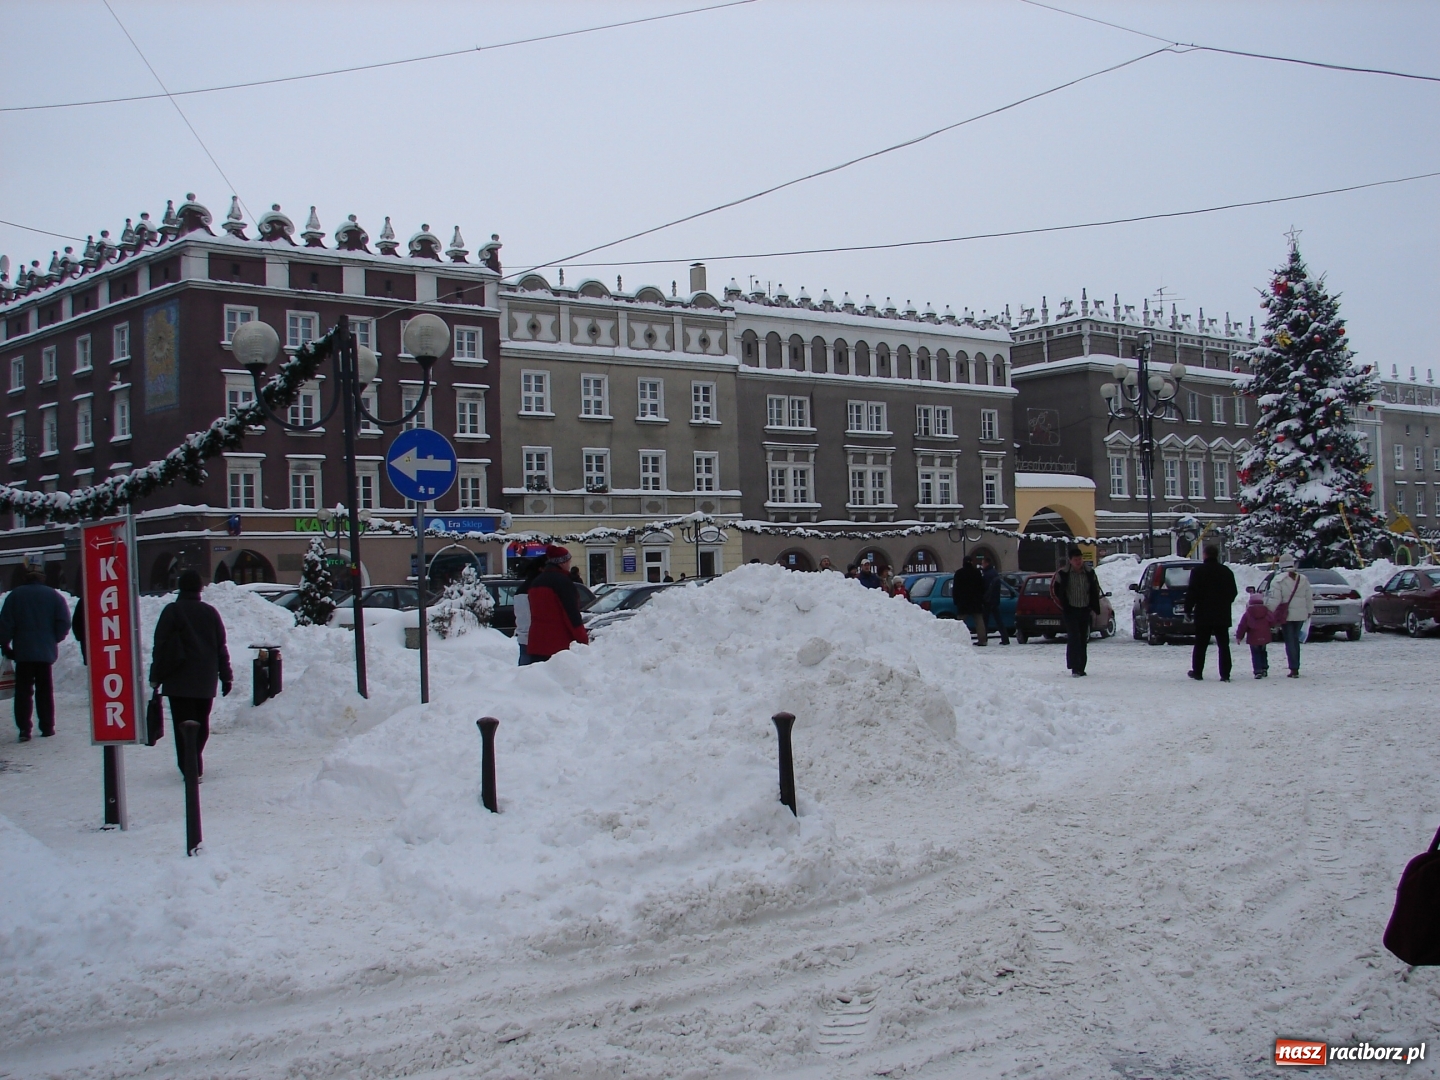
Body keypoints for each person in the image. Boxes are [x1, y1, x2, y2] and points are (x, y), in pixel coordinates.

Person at [149, 570, 232, 779]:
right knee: (201, 722)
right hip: (205, 680)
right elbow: (220, 646)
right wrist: (226, 675)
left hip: (178, 680)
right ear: (199, 589)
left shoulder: (172, 611)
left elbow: (160, 646)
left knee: (182, 725)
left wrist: (156, 676)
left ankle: (189, 766)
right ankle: (195, 760)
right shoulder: (210, 613)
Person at [0, 555, 72, 742]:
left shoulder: (15, 596)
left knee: (23, 692)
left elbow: (5, 624)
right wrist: (53, 638)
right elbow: (64, 622)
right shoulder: (54, 597)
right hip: (45, 652)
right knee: (44, 690)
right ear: (42, 577)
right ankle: (47, 726)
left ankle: (24, 728)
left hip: (23, 652)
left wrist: (5, 644)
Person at [525, 546, 590, 662]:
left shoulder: (536, 582)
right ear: (562, 562)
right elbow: (571, 615)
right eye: (568, 561)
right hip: (557, 645)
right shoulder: (563, 583)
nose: (570, 564)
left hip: (536, 642)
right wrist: (583, 639)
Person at [1184, 545, 1238, 681]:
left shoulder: (1198, 571)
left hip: (1203, 613)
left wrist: (1188, 609)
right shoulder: (1226, 571)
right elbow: (1233, 592)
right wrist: (1225, 603)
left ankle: (1198, 671)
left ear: (1205, 555)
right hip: (1222, 613)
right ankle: (1225, 674)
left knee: (1201, 644)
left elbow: (1192, 592)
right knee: (1223, 645)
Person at [1050, 546, 1101, 676]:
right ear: (1070, 561)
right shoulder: (1063, 574)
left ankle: (1081, 666)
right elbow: (1055, 591)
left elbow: (1095, 588)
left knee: (1083, 638)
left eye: (1080, 559)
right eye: (1075, 559)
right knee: (1074, 638)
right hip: (1070, 610)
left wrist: (1093, 605)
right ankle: (1074, 666)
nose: (1078, 562)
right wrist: (1063, 605)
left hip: (1084, 609)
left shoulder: (1089, 573)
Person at [1266, 554, 1313, 678]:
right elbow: (1309, 597)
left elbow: (1275, 598)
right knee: (1295, 639)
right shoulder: (1303, 578)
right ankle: (1296, 666)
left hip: (1286, 615)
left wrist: (1268, 611)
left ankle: (1293, 668)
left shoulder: (1278, 579)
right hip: (1301, 614)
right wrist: (1309, 610)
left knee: (1290, 641)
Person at [1235, 590, 1278, 679]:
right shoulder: (1266, 611)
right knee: (1263, 652)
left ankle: (1258, 671)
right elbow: (1273, 622)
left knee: (1255, 653)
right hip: (1265, 635)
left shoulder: (1248, 613)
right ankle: (1264, 668)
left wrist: (1239, 636)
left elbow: (1243, 625)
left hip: (1253, 637)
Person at [512, 557, 543, 666]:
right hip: (535, 637)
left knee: (524, 669)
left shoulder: (520, 590)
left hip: (522, 636)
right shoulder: (536, 588)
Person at [952, 556, 987, 645]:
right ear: (972, 562)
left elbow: (955, 588)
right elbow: (982, 587)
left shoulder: (959, 573)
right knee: (979, 621)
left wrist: (956, 600)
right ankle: (982, 640)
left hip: (963, 601)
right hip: (976, 601)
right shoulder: (977, 572)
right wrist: (981, 598)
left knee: (960, 622)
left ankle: (957, 640)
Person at [980, 556, 1010, 645]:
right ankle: (1005, 638)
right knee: (998, 620)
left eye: (983, 563)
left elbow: (985, 587)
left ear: (987, 563)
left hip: (988, 600)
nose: (982, 565)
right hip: (994, 600)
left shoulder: (987, 574)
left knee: (985, 621)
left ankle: (983, 639)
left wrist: (983, 598)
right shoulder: (994, 573)